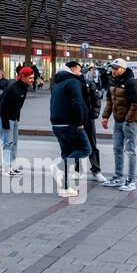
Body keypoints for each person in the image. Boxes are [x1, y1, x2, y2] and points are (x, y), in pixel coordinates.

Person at [50, 61, 92, 198]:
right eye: (79, 70)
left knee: (67, 153)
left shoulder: (57, 82)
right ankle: (59, 166)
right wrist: (80, 122)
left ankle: (65, 188)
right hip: (70, 123)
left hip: (57, 123)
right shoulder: (73, 82)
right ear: (73, 70)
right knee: (86, 149)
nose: (81, 73)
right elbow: (77, 102)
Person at [101, 58, 137, 192]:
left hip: (130, 122)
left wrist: (128, 121)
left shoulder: (131, 82)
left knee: (130, 151)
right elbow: (109, 101)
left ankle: (131, 180)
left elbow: (136, 104)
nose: (113, 70)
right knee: (117, 149)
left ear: (123, 69)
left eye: (116, 68)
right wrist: (105, 117)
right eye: (112, 68)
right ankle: (118, 177)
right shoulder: (112, 81)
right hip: (118, 121)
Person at [0, 66, 31, 175]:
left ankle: (12, 166)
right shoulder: (13, 88)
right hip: (3, 116)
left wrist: (16, 119)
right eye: (30, 78)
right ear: (23, 77)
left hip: (13, 117)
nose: (32, 80)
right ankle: (6, 169)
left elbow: (17, 105)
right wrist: (6, 123)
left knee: (14, 142)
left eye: (33, 78)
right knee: (6, 143)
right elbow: (3, 105)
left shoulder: (24, 86)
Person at [81, 65, 107, 183]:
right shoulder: (70, 84)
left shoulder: (88, 83)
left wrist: (94, 114)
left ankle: (96, 170)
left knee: (92, 144)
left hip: (88, 119)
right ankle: (77, 170)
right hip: (75, 119)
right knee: (76, 145)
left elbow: (96, 99)